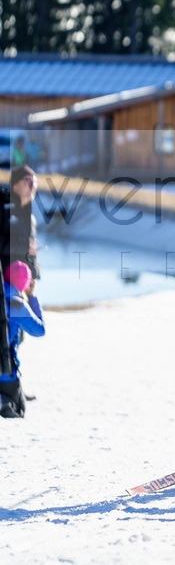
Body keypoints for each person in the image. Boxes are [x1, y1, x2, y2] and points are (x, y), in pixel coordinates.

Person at [0, 261, 45, 418]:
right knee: (19, 414)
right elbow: (39, 330)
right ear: (25, 284)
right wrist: (32, 297)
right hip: (7, 374)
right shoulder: (17, 305)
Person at [2, 165, 42, 282]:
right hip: (6, 283)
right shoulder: (3, 211)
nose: (32, 186)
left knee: (36, 301)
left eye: (35, 182)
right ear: (14, 186)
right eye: (28, 181)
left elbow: (32, 254)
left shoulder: (31, 219)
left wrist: (35, 273)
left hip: (23, 284)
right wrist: (24, 245)